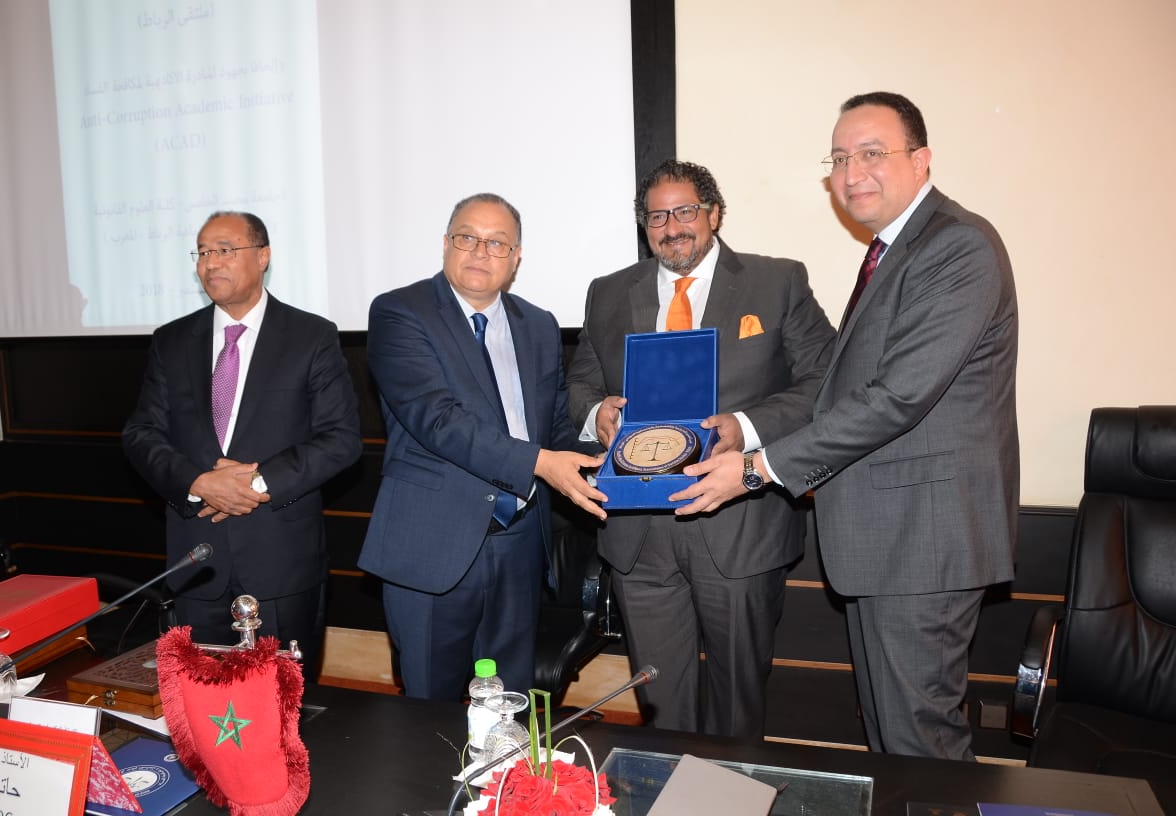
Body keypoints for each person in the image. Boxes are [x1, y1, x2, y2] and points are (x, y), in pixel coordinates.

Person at [674, 92, 1019, 760]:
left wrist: (757, 469)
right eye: (838, 159)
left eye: (871, 153)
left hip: (924, 543)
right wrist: (747, 433)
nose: (851, 172)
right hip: (890, 543)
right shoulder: (895, 251)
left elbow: (898, 398)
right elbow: (843, 390)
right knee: (894, 740)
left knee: (921, 745)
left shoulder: (956, 247)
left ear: (921, 160)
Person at [566, 160, 835, 739]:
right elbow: (580, 383)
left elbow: (824, 382)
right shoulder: (608, 292)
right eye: (657, 217)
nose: (672, 227)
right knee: (661, 705)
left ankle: (732, 786)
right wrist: (596, 414)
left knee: (738, 704)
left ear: (714, 213)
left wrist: (747, 426)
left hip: (739, 525)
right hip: (638, 532)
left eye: (685, 211)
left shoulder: (778, 281)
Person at [358, 192, 608, 700]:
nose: (480, 251)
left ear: (516, 258)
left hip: (520, 545)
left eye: (497, 243)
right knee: (430, 711)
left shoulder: (538, 324)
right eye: (467, 237)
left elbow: (553, 422)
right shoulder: (400, 312)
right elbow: (438, 420)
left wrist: (603, 442)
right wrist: (541, 462)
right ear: (445, 243)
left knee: (508, 707)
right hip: (433, 546)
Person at [123, 211, 361, 680]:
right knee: (200, 701)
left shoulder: (311, 336)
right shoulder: (172, 341)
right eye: (202, 253)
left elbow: (341, 439)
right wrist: (198, 483)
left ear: (263, 256)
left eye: (224, 250)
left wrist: (255, 483)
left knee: (282, 702)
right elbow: (141, 433)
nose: (210, 263)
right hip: (198, 563)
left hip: (280, 562)